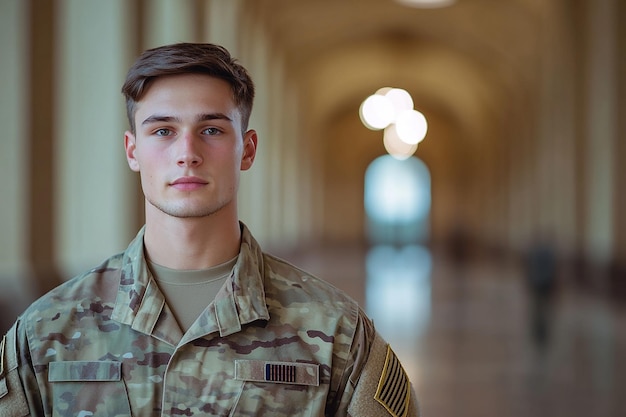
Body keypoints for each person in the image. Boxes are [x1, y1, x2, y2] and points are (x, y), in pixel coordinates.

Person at [0, 42, 420, 417]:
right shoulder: (46, 331)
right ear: (133, 151)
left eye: (212, 130)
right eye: (163, 131)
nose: (187, 153)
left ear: (247, 149)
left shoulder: (335, 332)